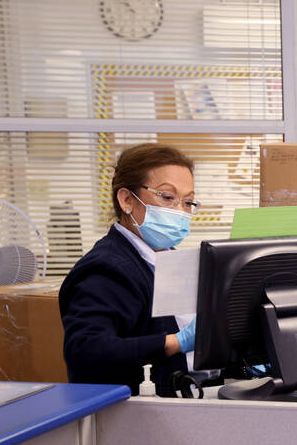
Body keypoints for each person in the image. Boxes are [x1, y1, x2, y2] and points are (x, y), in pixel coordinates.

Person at [59, 144, 199, 396]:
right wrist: (176, 342)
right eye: (167, 197)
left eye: (188, 202)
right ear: (126, 200)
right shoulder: (106, 268)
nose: (180, 211)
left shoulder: (168, 259)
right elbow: (86, 350)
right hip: (134, 412)